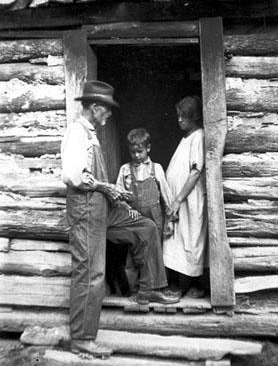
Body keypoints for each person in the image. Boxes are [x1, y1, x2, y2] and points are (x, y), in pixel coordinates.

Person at [61, 80, 179, 357]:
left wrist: (116, 197)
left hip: (102, 206)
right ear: (94, 107)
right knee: (91, 273)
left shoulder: (91, 133)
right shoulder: (77, 133)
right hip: (86, 210)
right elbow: (72, 175)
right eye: (107, 109)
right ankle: (82, 338)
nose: (110, 114)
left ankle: (149, 289)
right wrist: (107, 187)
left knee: (146, 227)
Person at [163, 95, 208, 298]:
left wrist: (179, 198)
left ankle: (196, 286)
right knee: (175, 241)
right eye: (178, 116)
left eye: (183, 117)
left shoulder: (199, 136)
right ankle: (176, 285)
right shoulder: (186, 138)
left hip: (189, 199)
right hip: (179, 200)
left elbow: (196, 171)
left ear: (195, 117)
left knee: (191, 240)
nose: (179, 120)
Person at [116, 128, 173, 240]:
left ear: (148, 148)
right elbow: (117, 196)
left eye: (140, 151)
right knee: (136, 252)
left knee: (155, 251)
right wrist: (127, 208)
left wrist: (169, 221)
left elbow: (167, 197)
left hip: (155, 219)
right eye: (133, 152)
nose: (136, 155)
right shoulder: (125, 169)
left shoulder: (156, 168)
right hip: (134, 219)